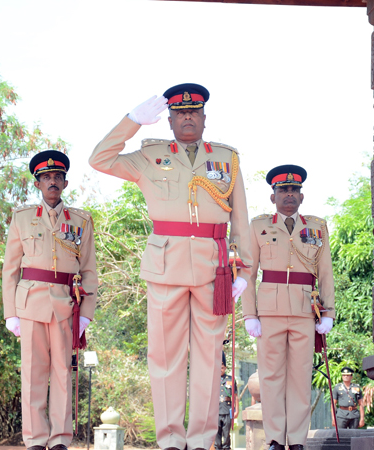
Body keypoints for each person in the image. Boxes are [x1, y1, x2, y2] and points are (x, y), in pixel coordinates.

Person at [89, 83, 252, 450]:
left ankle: (201, 441)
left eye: (194, 112)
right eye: (180, 113)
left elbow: (240, 220)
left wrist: (245, 271)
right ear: (170, 120)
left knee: (210, 359)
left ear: (205, 118)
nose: (188, 117)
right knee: (165, 358)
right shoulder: (150, 155)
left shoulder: (227, 160)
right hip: (165, 265)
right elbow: (99, 158)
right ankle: (170, 442)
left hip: (214, 268)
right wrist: (132, 121)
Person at [2, 150, 98, 450]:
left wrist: (87, 314)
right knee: (32, 374)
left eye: (57, 177)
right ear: (38, 184)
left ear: (65, 184)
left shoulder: (81, 221)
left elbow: (90, 270)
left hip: (66, 305)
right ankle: (34, 440)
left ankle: (59, 439)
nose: (52, 182)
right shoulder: (22, 218)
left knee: (62, 374)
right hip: (29, 303)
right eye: (46, 178)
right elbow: (9, 269)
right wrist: (10, 313)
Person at [242, 165, 335, 450]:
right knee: (270, 377)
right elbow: (248, 270)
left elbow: (326, 271)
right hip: (268, 312)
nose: (289, 195)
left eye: (294, 190)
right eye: (283, 190)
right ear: (273, 197)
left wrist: (328, 312)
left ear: (302, 196)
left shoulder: (317, 226)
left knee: (299, 377)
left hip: (306, 311)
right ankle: (274, 439)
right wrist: (249, 314)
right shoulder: (259, 226)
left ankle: (296, 440)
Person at [216, 352, 237, 450]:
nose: (221, 369)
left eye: (222, 367)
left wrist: (236, 410)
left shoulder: (231, 379)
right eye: (219, 367)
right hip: (216, 411)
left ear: (225, 368)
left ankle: (227, 448)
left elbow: (235, 396)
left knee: (226, 434)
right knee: (217, 434)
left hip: (227, 410)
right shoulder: (214, 379)